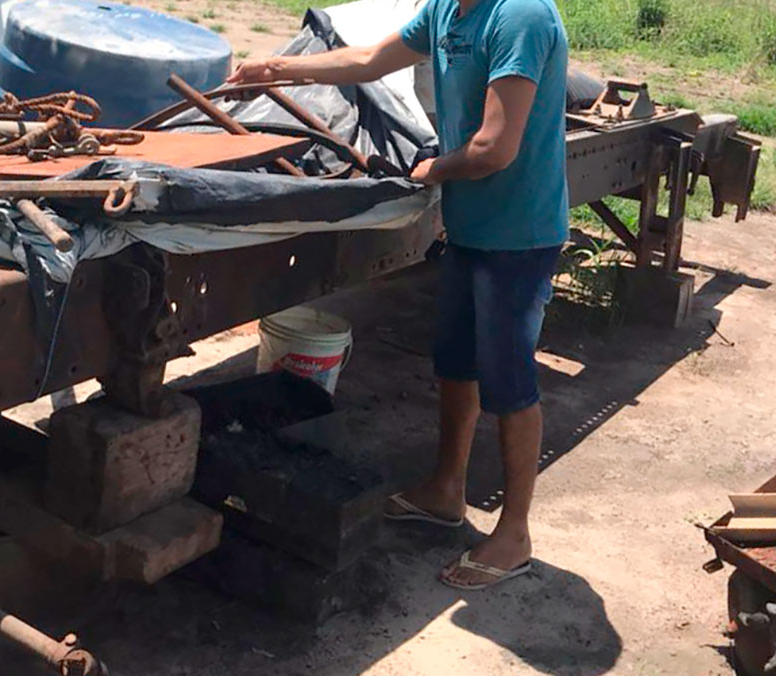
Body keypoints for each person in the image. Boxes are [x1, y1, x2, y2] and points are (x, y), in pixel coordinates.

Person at [228, 0, 569, 590]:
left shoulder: (519, 16)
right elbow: (368, 60)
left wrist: (428, 171)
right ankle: (445, 490)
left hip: (519, 234)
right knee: (456, 363)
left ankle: (514, 534)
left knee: (509, 382)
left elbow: (495, 148)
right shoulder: (446, 10)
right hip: (470, 227)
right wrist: (277, 70)